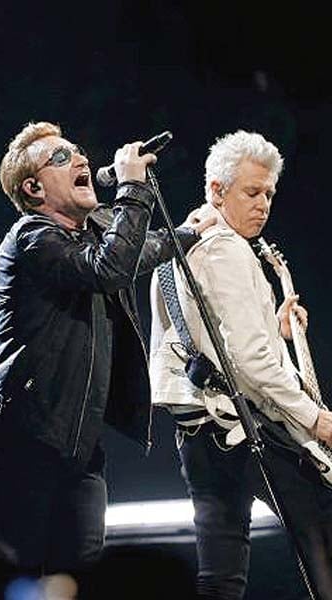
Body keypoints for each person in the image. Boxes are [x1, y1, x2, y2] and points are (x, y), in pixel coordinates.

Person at [0, 121, 213, 576]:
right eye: (61, 157)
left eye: (78, 151)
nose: (81, 159)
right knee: (17, 584)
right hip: (23, 442)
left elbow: (134, 253)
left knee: (80, 580)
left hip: (78, 447)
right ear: (34, 187)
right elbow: (109, 269)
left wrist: (187, 232)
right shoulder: (30, 238)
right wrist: (133, 188)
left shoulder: (91, 238)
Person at [150, 130, 332, 599]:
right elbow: (250, 363)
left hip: (196, 432)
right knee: (321, 529)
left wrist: (274, 330)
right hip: (239, 429)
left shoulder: (176, 246)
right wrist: (315, 418)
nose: (264, 204)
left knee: (221, 572)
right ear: (216, 190)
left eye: (269, 193)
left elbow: (205, 337)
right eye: (252, 192)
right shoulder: (227, 249)